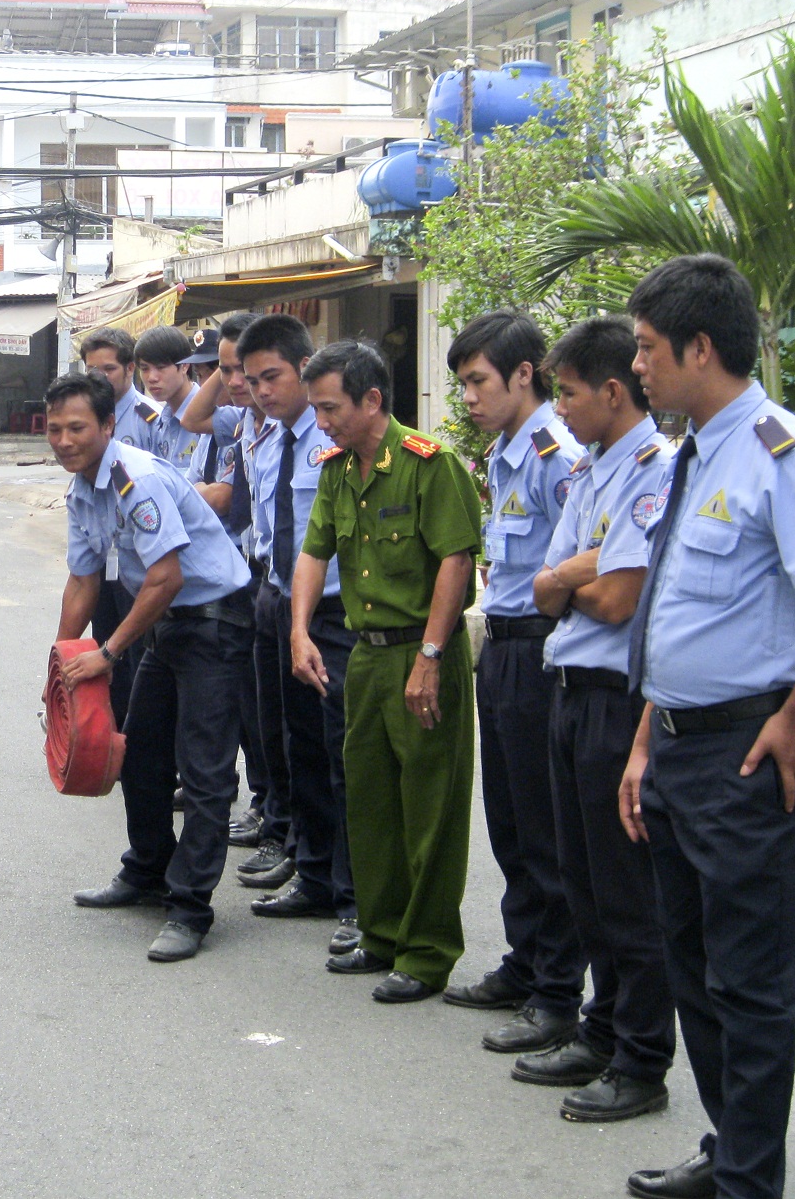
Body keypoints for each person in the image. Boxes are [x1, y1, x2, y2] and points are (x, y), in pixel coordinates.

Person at [618, 255, 795, 1199]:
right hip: (684, 747)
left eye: (649, 349)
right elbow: (685, 613)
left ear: (700, 347)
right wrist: (648, 739)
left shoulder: (781, 449)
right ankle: (731, 1148)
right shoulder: (695, 451)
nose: (638, 365)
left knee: (754, 986)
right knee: (694, 970)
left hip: (748, 752)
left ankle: (750, 1182)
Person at [292, 340, 482, 1004]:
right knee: (369, 797)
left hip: (422, 649)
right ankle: (380, 931)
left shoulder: (432, 465)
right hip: (365, 653)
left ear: (372, 400)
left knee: (430, 802)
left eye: (331, 407)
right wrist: (298, 630)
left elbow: (457, 561)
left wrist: (430, 657)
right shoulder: (338, 468)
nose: (322, 422)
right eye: (316, 409)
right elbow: (315, 550)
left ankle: (426, 951)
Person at [521, 316, 675, 1123]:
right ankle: (602, 1028)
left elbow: (616, 598)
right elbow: (549, 584)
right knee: (582, 878)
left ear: (613, 391)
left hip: (620, 698)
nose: (562, 408)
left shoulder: (653, 469)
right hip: (571, 687)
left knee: (626, 890)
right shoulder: (589, 467)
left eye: (571, 393)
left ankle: (642, 1057)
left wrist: (567, 577)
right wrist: (572, 573)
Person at [53, 372, 254, 963]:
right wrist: (59, 674)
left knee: (204, 770)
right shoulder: (83, 490)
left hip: (217, 622)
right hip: (168, 623)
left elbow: (166, 576)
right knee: (140, 755)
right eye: (56, 428)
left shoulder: (131, 480)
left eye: (78, 428)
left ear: (108, 426)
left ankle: (190, 906)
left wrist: (107, 653)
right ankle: (146, 870)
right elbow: (83, 580)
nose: (64, 440)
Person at [441, 313, 588, 1055]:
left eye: (478, 381)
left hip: (541, 652)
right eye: (463, 382)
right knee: (507, 823)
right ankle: (525, 962)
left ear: (523, 375)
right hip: (498, 647)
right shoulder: (502, 453)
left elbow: (591, 560)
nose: (467, 396)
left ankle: (559, 992)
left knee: (545, 829)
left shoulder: (557, 455)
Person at [237, 316, 362, 956]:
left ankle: (353, 896)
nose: (260, 390)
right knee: (294, 748)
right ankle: (312, 872)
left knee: (343, 758)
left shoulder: (338, 435)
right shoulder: (263, 438)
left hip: (337, 615)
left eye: (272, 376)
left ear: (304, 366)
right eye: (251, 379)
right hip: (279, 601)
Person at [175, 315, 281, 861]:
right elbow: (192, 416)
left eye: (252, 371)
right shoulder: (243, 421)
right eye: (230, 371)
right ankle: (271, 810)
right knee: (257, 711)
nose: (242, 383)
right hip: (252, 578)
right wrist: (223, 369)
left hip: (277, 582)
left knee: (281, 722)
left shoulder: (293, 430)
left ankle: (283, 825)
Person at [79, 325, 160, 726]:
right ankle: (114, 730)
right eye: (92, 370)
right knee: (105, 639)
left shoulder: (150, 418)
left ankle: (144, 734)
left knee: (143, 650)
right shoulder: (85, 416)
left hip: (145, 559)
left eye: (108, 369)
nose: (100, 378)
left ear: (131, 369)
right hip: (105, 554)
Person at [132, 325, 202, 469]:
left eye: (161, 367)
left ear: (184, 366)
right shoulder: (161, 421)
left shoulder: (208, 416)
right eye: (144, 369)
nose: (152, 377)